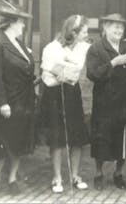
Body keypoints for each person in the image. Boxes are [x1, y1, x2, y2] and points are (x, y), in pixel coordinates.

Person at [0, 0, 35, 198]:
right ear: (11, 23)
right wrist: (3, 103)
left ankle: (12, 178)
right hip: (8, 103)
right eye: (21, 22)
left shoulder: (20, 45)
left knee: (18, 142)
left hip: (24, 101)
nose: (23, 25)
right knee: (2, 143)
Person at [86, 13, 126, 191]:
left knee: (123, 138)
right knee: (102, 137)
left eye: (121, 27)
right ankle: (98, 172)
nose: (119, 30)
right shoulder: (96, 48)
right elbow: (92, 74)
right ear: (105, 28)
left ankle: (118, 173)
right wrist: (113, 63)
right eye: (114, 27)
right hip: (105, 103)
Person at [40, 14, 91, 193]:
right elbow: (45, 75)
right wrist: (56, 76)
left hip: (72, 93)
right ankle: (57, 177)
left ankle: (75, 176)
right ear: (73, 32)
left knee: (76, 135)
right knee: (58, 137)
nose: (87, 35)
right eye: (84, 32)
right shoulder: (51, 48)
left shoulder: (84, 47)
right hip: (54, 93)